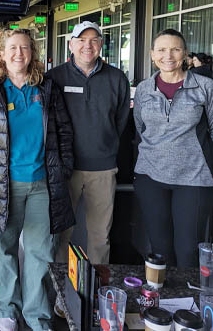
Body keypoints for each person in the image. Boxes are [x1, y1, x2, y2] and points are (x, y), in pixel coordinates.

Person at [0, 28, 74, 331]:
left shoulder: (47, 89)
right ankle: (6, 310)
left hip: (43, 184)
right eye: (12, 48)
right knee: (4, 249)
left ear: (33, 52)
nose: (19, 53)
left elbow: (64, 133)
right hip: (4, 187)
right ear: (1, 54)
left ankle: (36, 314)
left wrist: (63, 170)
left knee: (41, 252)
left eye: (25, 48)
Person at [47, 21, 130, 265]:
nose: (87, 45)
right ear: (70, 44)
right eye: (81, 40)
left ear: (101, 45)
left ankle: (97, 293)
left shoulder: (116, 78)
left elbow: (121, 120)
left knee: (100, 236)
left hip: (103, 169)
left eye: (94, 40)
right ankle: (63, 295)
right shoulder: (54, 78)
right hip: (64, 169)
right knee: (61, 235)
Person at [133, 29, 213, 267]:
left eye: (175, 49)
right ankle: (163, 302)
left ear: (185, 54)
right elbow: (140, 128)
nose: (168, 55)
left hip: (194, 178)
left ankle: (189, 302)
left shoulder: (205, 87)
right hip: (150, 177)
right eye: (161, 50)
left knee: (188, 250)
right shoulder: (144, 89)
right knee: (160, 249)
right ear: (152, 55)